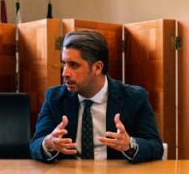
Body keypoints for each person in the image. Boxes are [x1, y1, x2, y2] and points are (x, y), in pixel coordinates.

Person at [30, 30, 163, 163]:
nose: (65, 73)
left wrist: (129, 145)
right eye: (64, 64)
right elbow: (35, 145)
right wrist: (48, 143)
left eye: (73, 65)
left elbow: (156, 147)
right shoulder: (54, 98)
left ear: (97, 67)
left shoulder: (134, 98)